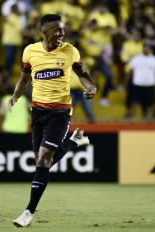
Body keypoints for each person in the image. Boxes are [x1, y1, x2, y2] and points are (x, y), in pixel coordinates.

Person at [8, 14, 97, 227]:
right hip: (37, 113)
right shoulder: (30, 51)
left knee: (43, 159)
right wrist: (15, 96)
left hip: (60, 112)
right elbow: (24, 78)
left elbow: (82, 73)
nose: (61, 33)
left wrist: (90, 87)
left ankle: (28, 212)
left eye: (62, 29)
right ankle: (74, 141)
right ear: (44, 31)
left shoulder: (70, 51)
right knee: (42, 162)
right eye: (56, 30)